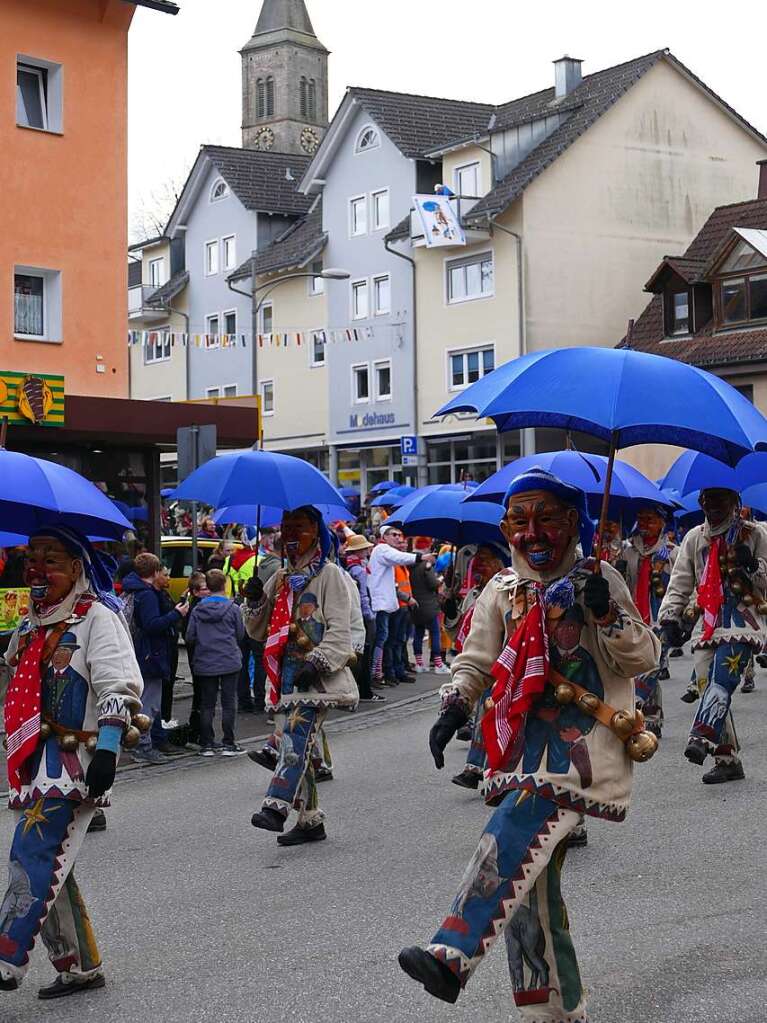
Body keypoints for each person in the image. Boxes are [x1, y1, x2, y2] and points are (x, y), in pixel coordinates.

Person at [398, 468, 659, 1017]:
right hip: (517, 749)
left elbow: (643, 658)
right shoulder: (501, 590)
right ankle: (555, 1012)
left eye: (547, 518)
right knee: (526, 896)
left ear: (573, 522)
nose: (533, 532)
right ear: (504, 526)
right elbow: (476, 660)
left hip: (578, 755)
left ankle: (452, 951)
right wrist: (453, 705)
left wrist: (607, 612)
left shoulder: (599, 578)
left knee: (512, 828)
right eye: (520, 519)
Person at [0, 526, 144, 997]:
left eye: (52, 560)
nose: (38, 569)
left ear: (77, 569)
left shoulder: (97, 619)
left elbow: (118, 684)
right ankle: (79, 964)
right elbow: (13, 686)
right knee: (55, 865)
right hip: (30, 762)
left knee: (32, 853)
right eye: (32, 559)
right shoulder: (29, 625)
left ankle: (6, 953)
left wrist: (107, 748)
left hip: (73, 762)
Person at [247, 507, 358, 846]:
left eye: (299, 527)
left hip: (316, 677)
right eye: (285, 527)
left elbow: (343, 629)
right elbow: (257, 630)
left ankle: (276, 807)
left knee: (294, 737)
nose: (290, 534)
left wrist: (320, 662)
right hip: (284, 675)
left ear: (316, 532)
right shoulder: (279, 578)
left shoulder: (330, 576)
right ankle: (310, 820)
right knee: (302, 747)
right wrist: (254, 600)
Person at [658, 486, 767, 784]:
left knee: (724, 680)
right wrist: (669, 616)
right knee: (708, 686)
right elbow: (680, 581)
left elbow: (765, 581)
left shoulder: (755, 534)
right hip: (706, 624)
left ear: (734, 501)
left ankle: (700, 735)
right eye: (706, 499)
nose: (711, 504)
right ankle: (727, 758)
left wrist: (751, 566)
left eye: (719, 498)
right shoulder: (695, 538)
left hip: (743, 623)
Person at [448, 543, 510, 791]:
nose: (480, 563)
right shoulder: (474, 594)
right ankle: (476, 769)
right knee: (484, 714)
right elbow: (460, 634)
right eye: (478, 559)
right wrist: (450, 611)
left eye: (486, 558)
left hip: (502, 666)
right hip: (476, 666)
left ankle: (480, 769)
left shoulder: (510, 591)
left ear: (500, 562)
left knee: (491, 714)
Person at [121, 553, 188, 764]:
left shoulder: (134, 589)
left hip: (140, 652)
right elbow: (152, 624)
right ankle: (143, 745)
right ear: (154, 572)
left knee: (144, 700)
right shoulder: (147, 594)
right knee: (149, 703)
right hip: (150, 654)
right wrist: (177, 614)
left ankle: (141, 742)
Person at [622, 505, 676, 738]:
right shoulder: (628, 551)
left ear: (662, 523)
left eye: (650, 519)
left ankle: (635, 706)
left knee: (652, 664)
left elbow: (679, 585)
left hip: (661, 617)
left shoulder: (672, 552)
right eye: (641, 518)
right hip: (635, 616)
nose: (644, 524)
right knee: (643, 664)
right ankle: (653, 718)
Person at [184, 569, 246, 757]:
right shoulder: (233, 609)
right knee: (228, 702)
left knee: (207, 704)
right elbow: (240, 634)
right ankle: (229, 742)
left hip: (205, 660)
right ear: (224, 585)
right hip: (229, 659)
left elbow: (189, 636)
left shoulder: (197, 609)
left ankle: (207, 744)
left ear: (208, 587)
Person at [369, 526, 433, 688]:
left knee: (389, 640)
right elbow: (400, 557)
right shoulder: (382, 549)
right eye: (394, 535)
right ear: (384, 537)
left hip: (388, 605)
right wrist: (421, 556)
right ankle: (376, 674)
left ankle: (383, 673)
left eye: (399, 535)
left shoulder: (385, 552)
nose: (398, 538)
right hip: (382, 605)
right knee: (383, 640)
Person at [343, 534, 383, 703]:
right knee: (365, 653)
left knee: (361, 652)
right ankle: (365, 689)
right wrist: (370, 614)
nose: (368, 550)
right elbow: (363, 595)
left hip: (357, 614)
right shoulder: (359, 570)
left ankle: (361, 688)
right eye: (365, 548)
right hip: (363, 616)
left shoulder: (352, 567)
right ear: (359, 551)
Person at [409, 540, 448, 674]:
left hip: (415, 604)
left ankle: (419, 663)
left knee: (418, 634)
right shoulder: (426, 565)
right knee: (435, 632)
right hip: (429, 605)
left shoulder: (409, 564)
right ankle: (438, 664)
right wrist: (441, 579)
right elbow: (433, 584)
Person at [182, 571, 208, 744]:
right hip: (199, 656)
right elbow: (189, 636)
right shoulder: (197, 608)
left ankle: (197, 729)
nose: (208, 591)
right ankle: (198, 731)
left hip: (197, 656)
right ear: (196, 591)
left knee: (201, 694)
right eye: (205, 588)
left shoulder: (192, 605)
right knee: (202, 695)